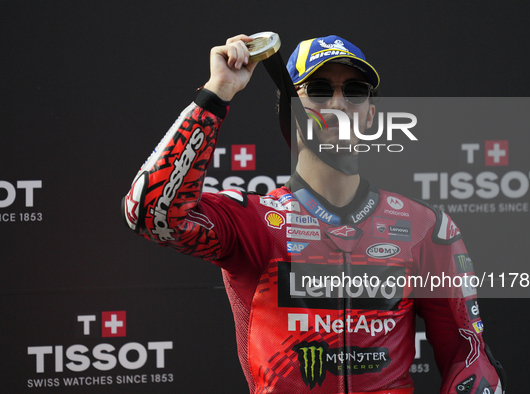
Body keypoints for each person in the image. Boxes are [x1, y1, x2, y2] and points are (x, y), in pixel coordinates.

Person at [122, 34, 505, 394]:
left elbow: (468, 356)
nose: (339, 104)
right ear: (288, 106)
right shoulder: (255, 221)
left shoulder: (424, 228)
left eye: (354, 92)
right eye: (320, 90)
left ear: (371, 116)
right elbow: (150, 213)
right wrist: (217, 92)